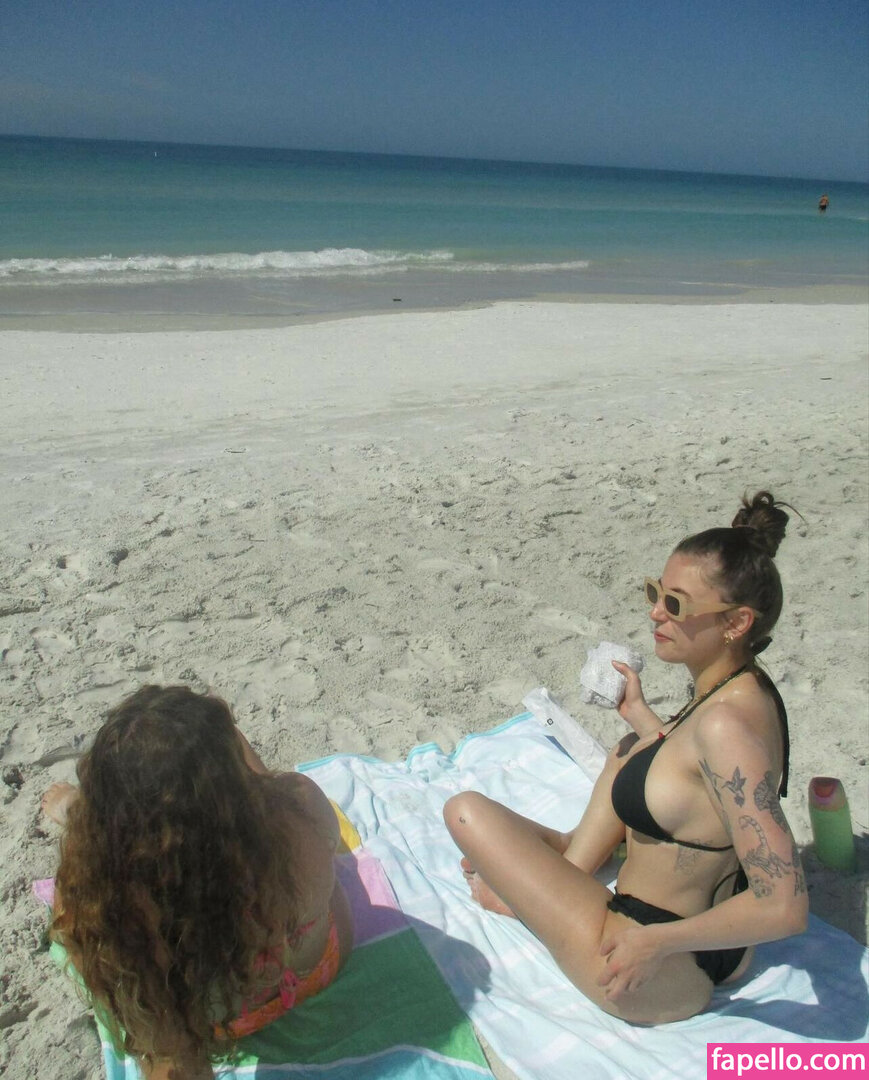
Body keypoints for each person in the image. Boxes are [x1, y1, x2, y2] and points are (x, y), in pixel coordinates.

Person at [444, 492, 807, 1025]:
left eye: (676, 604)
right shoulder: (743, 688)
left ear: (736, 623)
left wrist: (657, 943)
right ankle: (564, 861)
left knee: (464, 812)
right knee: (630, 751)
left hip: (652, 964)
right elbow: (697, 776)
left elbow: (785, 905)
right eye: (656, 591)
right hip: (707, 938)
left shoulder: (725, 726)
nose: (656, 612)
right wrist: (638, 714)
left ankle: (531, 893)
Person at [42, 685, 353, 1080]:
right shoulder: (301, 805)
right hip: (315, 972)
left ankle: (82, 809)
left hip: (212, 1025)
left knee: (124, 969)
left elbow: (145, 1020)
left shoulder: (98, 893)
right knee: (270, 795)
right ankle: (221, 768)